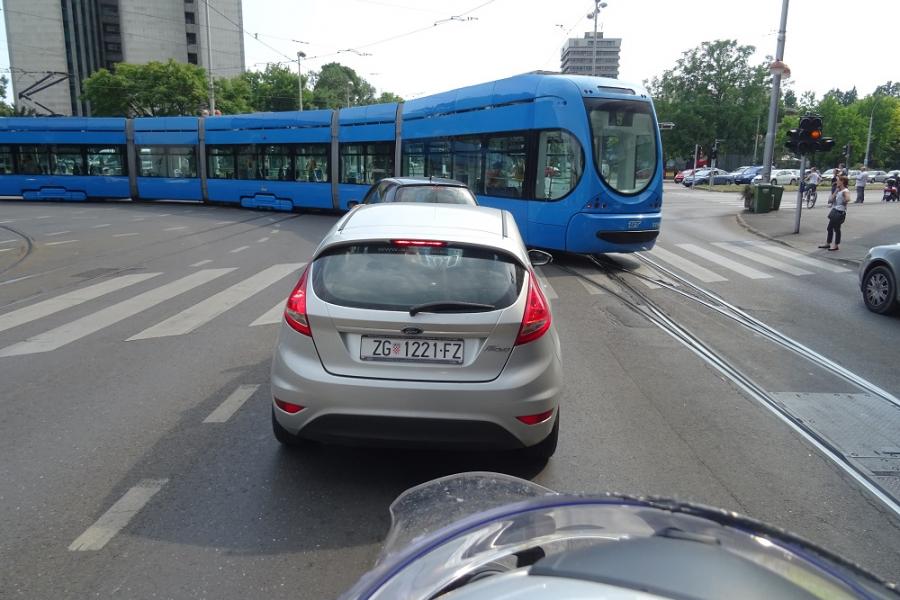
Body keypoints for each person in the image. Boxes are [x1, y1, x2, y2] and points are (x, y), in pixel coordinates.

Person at [819, 175, 850, 251]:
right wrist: (836, 190)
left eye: (838, 180)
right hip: (835, 211)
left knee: (836, 229)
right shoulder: (839, 190)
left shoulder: (845, 191)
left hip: (839, 212)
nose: (836, 182)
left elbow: (848, 198)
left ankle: (835, 245)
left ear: (842, 181)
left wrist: (844, 202)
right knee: (830, 228)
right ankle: (828, 243)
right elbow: (830, 200)